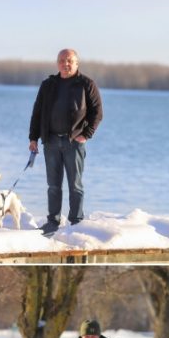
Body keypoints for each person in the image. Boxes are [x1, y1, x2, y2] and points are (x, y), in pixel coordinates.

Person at [28, 48, 104, 234]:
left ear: (76, 63)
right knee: (53, 185)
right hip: (51, 142)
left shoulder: (86, 84)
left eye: (69, 60)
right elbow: (37, 112)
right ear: (57, 63)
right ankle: (52, 221)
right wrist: (33, 138)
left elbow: (97, 113)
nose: (65, 63)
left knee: (75, 185)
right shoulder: (48, 85)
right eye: (62, 60)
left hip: (74, 143)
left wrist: (86, 134)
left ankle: (76, 222)